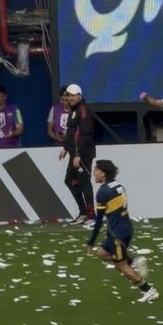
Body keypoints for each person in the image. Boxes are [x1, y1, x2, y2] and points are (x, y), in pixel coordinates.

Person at [86, 160, 159, 303]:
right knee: (101, 253)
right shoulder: (118, 185)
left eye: (96, 170)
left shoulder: (103, 192)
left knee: (121, 266)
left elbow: (99, 221)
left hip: (117, 234)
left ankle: (149, 290)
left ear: (103, 172)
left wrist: (90, 242)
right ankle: (134, 261)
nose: (93, 173)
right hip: (123, 228)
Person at [59, 83, 96, 224]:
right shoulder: (74, 111)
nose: (71, 98)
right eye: (69, 95)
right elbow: (72, 133)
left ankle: (91, 215)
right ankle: (83, 212)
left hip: (83, 154)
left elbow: (86, 134)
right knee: (70, 180)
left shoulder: (83, 110)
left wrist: (78, 154)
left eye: (74, 95)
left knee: (84, 181)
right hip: (74, 153)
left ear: (80, 96)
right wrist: (65, 148)